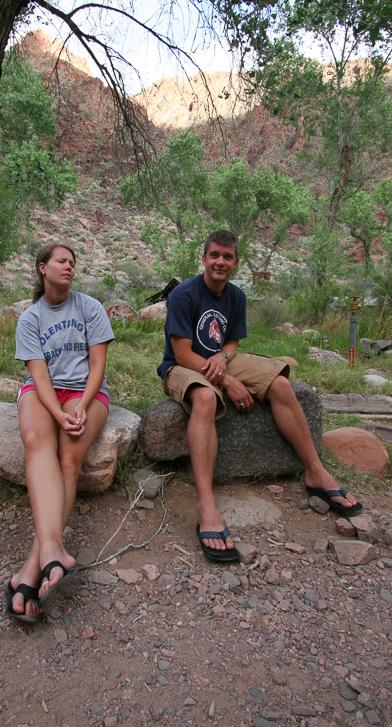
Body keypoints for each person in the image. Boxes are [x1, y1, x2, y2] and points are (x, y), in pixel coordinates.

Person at [157, 229, 362, 563]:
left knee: (280, 383)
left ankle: (315, 471)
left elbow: (232, 342)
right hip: (182, 366)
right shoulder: (183, 294)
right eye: (214, 255)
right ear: (204, 258)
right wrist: (227, 381)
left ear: (236, 262)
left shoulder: (236, 296)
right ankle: (206, 504)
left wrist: (224, 360)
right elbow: (181, 354)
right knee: (206, 400)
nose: (220, 262)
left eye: (227, 256)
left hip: (220, 362)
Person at [5, 242, 114, 622]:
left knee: (69, 456)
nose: (69, 267)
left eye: (73, 262)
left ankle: (33, 566)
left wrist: (81, 406)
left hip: (86, 391)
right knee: (37, 441)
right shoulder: (30, 319)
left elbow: (98, 363)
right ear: (42, 268)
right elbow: (38, 374)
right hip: (43, 391)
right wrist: (56, 411)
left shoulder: (90, 307)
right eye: (61, 261)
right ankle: (54, 550)